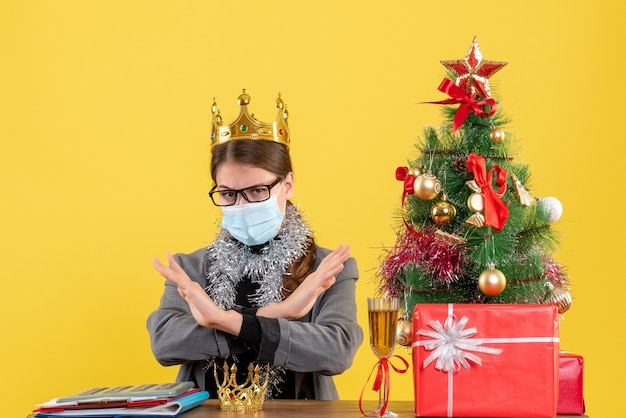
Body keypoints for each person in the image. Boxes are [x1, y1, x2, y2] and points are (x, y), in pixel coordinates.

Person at [146, 91, 363, 400]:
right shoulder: (189, 269)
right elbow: (166, 342)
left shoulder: (326, 269)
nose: (242, 204)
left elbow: (336, 349)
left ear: (287, 185)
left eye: (258, 190)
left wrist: (224, 319)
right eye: (228, 194)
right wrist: (276, 314)